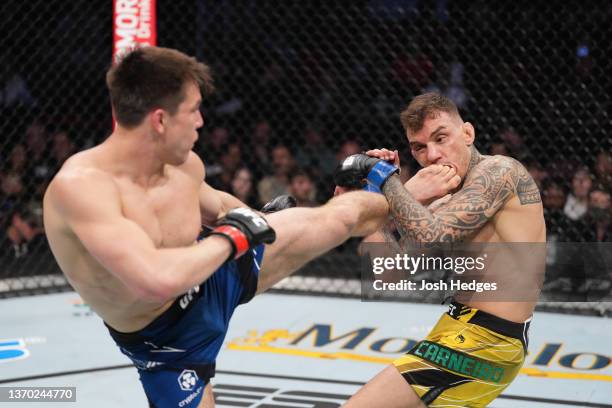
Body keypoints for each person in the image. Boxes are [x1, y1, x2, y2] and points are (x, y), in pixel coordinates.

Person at [42, 46, 390, 408]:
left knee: (337, 217)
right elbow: (155, 279)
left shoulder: (182, 164)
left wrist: (259, 220)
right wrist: (236, 235)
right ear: (160, 120)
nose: (201, 121)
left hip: (213, 274)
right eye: (193, 110)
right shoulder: (82, 188)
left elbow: (222, 207)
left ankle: (415, 193)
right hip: (164, 340)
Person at [335, 92, 546, 407]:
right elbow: (385, 271)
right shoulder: (444, 200)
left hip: (486, 342)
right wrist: (372, 197)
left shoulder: (500, 172)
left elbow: (435, 235)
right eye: (419, 147)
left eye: (441, 138)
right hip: (460, 330)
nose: (432, 155)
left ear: (468, 133)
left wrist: (392, 187)